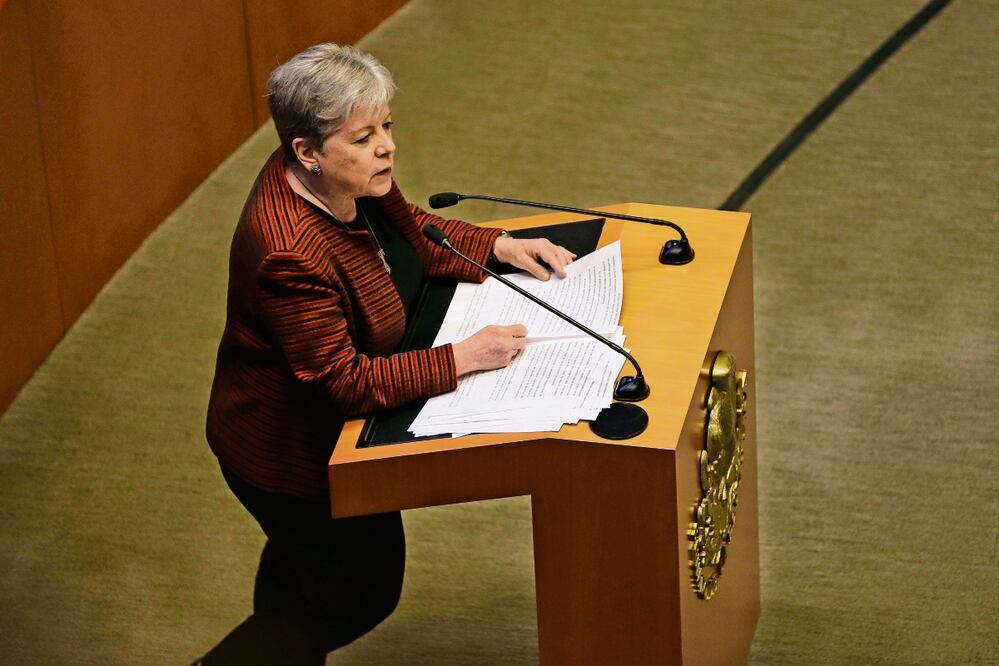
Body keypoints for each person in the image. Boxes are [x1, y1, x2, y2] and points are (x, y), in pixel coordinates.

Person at [197, 43, 575, 664]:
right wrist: (462, 357)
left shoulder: (348, 177)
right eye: (364, 136)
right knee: (357, 596)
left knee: (310, 580)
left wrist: (499, 246)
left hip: (336, 434)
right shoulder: (288, 251)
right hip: (289, 454)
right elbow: (343, 382)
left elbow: (417, 235)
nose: (387, 147)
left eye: (387, 127)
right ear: (307, 153)